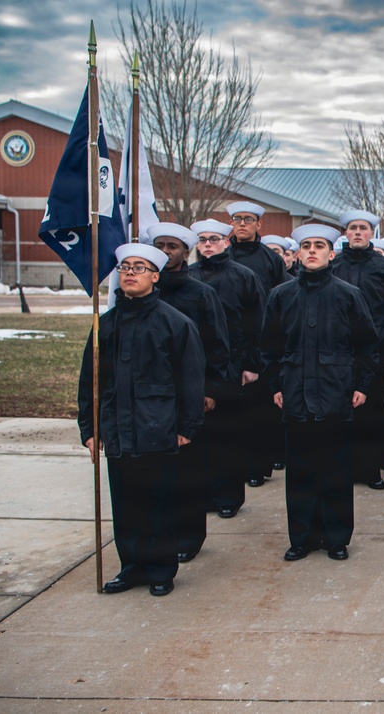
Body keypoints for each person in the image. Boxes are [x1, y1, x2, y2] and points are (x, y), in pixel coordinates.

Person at [78, 243, 205, 596]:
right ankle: (131, 567)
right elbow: (90, 380)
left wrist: (187, 427)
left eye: (139, 267)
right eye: (124, 268)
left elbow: (191, 380)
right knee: (126, 503)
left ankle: (161, 569)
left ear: (155, 276)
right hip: (118, 430)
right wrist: (89, 429)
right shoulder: (105, 325)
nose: (130, 273)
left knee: (158, 502)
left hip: (158, 429)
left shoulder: (175, 323)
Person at [260, 224, 379, 562]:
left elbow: (367, 344)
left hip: (336, 396)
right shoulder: (281, 296)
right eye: (306, 246)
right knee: (300, 471)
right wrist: (276, 386)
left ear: (331, 253)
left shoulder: (347, 295)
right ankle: (302, 538)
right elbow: (268, 347)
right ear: (297, 253)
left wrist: (361, 386)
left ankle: (337, 537)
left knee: (336, 470)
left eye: (319, 246)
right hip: (295, 395)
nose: (312, 251)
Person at [150, 222, 231, 562]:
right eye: (161, 245)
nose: (167, 252)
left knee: (189, 468)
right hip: (151, 394)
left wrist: (211, 388)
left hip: (190, 392)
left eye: (173, 246)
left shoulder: (200, 294)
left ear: (186, 252)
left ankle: (189, 536)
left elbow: (217, 345)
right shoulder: (143, 291)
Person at [189, 218, 267, 520]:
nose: (208, 244)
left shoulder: (243, 277)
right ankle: (204, 493)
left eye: (214, 239)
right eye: (203, 239)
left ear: (226, 241)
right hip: (196, 367)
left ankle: (227, 496)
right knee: (199, 436)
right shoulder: (190, 275)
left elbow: (258, 323)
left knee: (227, 434)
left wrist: (252, 364)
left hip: (233, 367)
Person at [330, 209, 384, 490]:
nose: (357, 232)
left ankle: (370, 470)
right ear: (345, 233)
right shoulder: (334, 266)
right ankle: (345, 469)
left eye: (363, 228)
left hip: (374, 351)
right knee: (342, 413)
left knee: (372, 412)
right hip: (339, 353)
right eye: (352, 228)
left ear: (372, 233)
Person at [226, 201, 288, 484]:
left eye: (248, 219)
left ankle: (257, 467)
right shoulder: (224, 255)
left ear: (258, 225)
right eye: (237, 219)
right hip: (229, 341)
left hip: (261, 339)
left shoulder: (269, 259)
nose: (241, 224)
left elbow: (281, 298)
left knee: (259, 409)